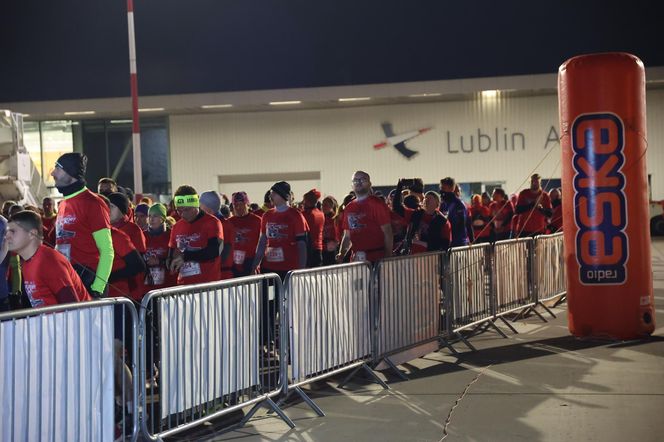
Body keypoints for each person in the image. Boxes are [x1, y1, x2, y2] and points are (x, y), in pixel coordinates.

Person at [51, 153, 114, 297]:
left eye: (58, 168)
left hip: (89, 283)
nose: (53, 173)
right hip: (68, 281)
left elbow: (107, 250)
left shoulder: (93, 203)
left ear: (71, 173)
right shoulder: (64, 203)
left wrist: (97, 288)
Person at [5, 210, 90, 307]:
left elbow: (71, 307)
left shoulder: (49, 261)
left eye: (13, 231)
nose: (7, 237)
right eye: (7, 232)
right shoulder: (26, 263)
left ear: (32, 234)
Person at [251, 181, 308, 278]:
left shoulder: (296, 215)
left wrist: (301, 268)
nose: (270, 196)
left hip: (288, 268)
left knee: (285, 294)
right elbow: (262, 242)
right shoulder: (267, 215)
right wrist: (255, 264)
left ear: (282, 195)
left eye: (274, 193)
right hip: (268, 267)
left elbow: (302, 244)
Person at [168, 186, 224, 285]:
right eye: (179, 210)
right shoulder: (177, 227)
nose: (182, 214)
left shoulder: (212, 222)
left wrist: (185, 256)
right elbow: (170, 255)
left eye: (187, 210)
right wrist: (171, 263)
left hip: (207, 286)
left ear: (196, 205)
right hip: (183, 287)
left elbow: (215, 251)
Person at [337, 171, 393, 263]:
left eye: (363, 179)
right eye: (355, 180)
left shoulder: (377, 204)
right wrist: (341, 253)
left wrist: (388, 256)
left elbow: (387, 232)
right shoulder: (349, 207)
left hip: (376, 257)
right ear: (352, 185)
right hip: (356, 258)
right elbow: (347, 235)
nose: (358, 182)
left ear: (370, 184)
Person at [392, 179, 451, 254]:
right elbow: (397, 207)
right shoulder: (416, 214)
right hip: (412, 258)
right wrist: (400, 185)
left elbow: (445, 245)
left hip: (431, 259)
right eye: (425, 198)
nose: (426, 199)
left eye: (429, 198)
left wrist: (424, 244)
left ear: (437, 203)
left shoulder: (443, 221)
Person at [108, 192, 147, 300]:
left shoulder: (133, 229)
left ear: (121, 209)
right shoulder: (105, 230)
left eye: (111, 206)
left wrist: (111, 276)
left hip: (131, 291)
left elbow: (139, 262)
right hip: (111, 291)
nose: (108, 210)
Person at [200, 190, 234, 280]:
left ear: (208, 209)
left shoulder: (224, 225)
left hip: (221, 276)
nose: (198, 209)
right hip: (212, 273)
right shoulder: (208, 223)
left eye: (200, 206)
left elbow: (225, 251)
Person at [229, 191, 262, 277]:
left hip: (251, 263)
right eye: (236, 205)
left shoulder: (257, 221)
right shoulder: (229, 222)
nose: (239, 208)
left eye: (241, 204)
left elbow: (263, 244)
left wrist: (255, 266)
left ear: (247, 204)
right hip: (233, 265)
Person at [144, 203, 176, 290]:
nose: (151, 219)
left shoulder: (171, 235)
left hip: (168, 287)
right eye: (149, 216)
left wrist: (159, 261)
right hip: (147, 289)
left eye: (155, 216)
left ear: (163, 218)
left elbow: (176, 260)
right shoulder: (143, 236)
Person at [439, 177, 472, 247]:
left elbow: (463, 224)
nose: (441, 191)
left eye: (443, 188)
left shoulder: (459, 204)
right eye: (441, 188)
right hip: (446, 242)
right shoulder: (443, 204)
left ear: (451, 188)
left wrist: (471, 239)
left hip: (458, 243)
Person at [301, 189, 325, 268]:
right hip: (318, 249)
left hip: (308, 249)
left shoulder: (306, 215)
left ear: (307, 201)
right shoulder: (321, 214)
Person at [321, 196, 341, 266]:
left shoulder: (336, 217)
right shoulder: (321, 217)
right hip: (324, 247)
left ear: (332, 206)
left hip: (334, 248)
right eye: (322, 205)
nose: (323, 207)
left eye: (325, 205)